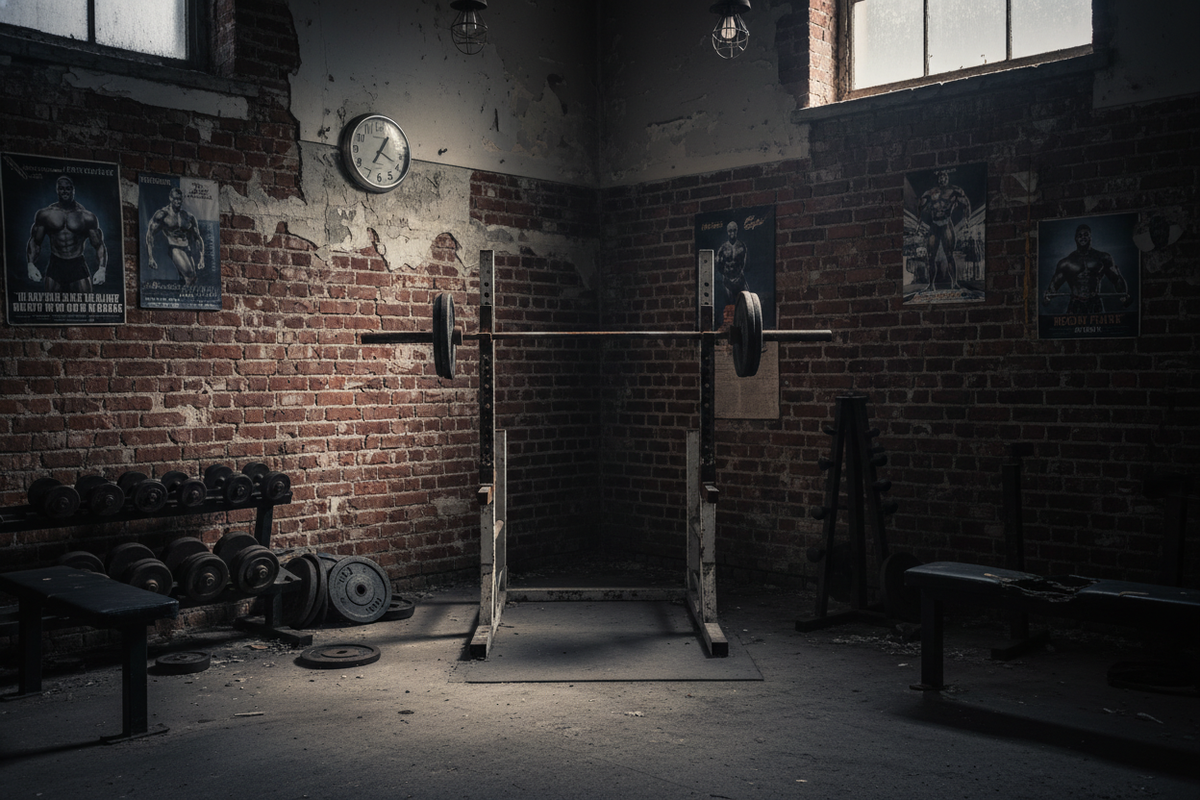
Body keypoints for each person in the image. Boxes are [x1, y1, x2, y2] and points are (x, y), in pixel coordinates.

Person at [26, 175, 107, 292]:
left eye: (68, 188)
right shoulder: (46, 215)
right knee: (51, 307)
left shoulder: (86, 217)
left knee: (86, 306)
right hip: (56, 263)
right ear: (57, 190)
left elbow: (99, 245)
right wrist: (31, 265)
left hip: (77, 263)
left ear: (73, 190)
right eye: (62, 188)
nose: (65, 191)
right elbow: (35, 241)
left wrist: (102, 269)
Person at [1043, 224, 1131, 313]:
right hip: (1075, 304)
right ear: (1075, 238)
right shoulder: (1066, 263)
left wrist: (1123, 294)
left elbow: (1116, 280)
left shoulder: (1103, 258)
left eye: (1086, 235)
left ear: (1090, 237)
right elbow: (1053, 287)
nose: (1083, 238)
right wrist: (1047, 297)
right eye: (1080, 236)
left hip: (1095, 302)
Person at [917, 170, 971, 291]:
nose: (942, 179)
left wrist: (967, 219)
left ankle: (954, 283)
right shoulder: (930, 192)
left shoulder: (955, 190)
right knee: (930, 256)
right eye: (940, 177)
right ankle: (931, 285)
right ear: (938, 179)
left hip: (946, 223)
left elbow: (966, 203)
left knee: (949, 255)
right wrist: (918, 222)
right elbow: (920, 205)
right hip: (934, 224)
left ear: (948, 178)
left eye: (944, 177)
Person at [146, 187, 205, 286]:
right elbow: (150, 234)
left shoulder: (188, 217)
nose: (178, 201)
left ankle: (181, 298)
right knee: (190, 276)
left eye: (179, 199)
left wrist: (202, 257)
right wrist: (150, 257)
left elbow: (197, 237)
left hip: (187, 248)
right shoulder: (163, 214)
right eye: (175, 199)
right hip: (174, 247)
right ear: (170, 198)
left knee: (191, 279)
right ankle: (185, 298)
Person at [715, 220, 749, 302]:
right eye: (730, 231)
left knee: (747, 304)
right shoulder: (723, 248)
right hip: (727, 281)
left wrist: (738, 275)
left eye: (734, 230)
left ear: (737, 231)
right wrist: (726, 276)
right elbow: (718, 264)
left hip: (739, 280)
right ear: (727, 232)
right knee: (729, 307)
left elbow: (745, 264)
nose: (732, 233)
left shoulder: (742, 246)